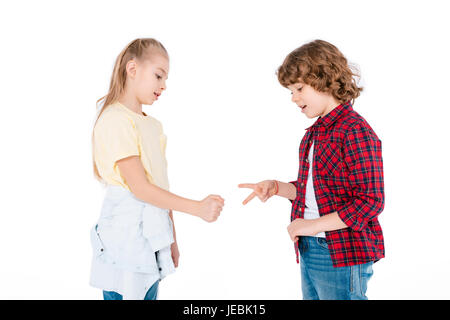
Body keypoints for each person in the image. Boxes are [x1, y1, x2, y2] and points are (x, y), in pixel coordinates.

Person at [238, 39, 384, 300]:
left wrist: (311, 225)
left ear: (323, 80)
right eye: (291, 91)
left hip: (340, 252)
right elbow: (313, 190)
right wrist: (277, 187)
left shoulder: (354, 131)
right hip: (310, 248)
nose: (293, 98)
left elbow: (370, 202)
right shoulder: (315, 133)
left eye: (299, 88)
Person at [90, 38, 225, 300]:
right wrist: (197, 208)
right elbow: (139, 188)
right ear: (132, 69)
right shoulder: (115, 119)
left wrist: (171, 238)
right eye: (159, 75)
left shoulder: (153, 126)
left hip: (151, 237)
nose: (164, 85)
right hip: (125, 239)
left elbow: (159, 186)